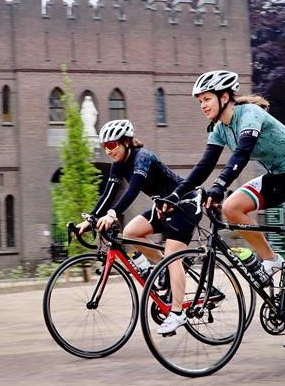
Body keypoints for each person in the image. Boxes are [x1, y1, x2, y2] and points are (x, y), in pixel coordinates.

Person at [162, 70, 285, 347]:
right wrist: (174, 195)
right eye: (200, 100)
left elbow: (243, 152)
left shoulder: (248, 114)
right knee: (232, 207)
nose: (203, 105)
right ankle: (271, 259)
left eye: (207, 99)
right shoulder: (219, 129)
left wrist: (221, 183)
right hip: (278, 176)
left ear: (225, 97)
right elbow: (204, 165)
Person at [76, 119, 201, 334]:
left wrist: (113, 214)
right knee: (131, 232)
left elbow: (132, 190)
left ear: (126, 142)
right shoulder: (118, 164)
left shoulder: (142, 157)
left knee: (173, 255)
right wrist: (91, 219)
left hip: (185, 203)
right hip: (163, 206)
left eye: (112, 145)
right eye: (104, 147)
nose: (108, 151)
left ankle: (178, 313)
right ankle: (165, 272)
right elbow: (108, 193)